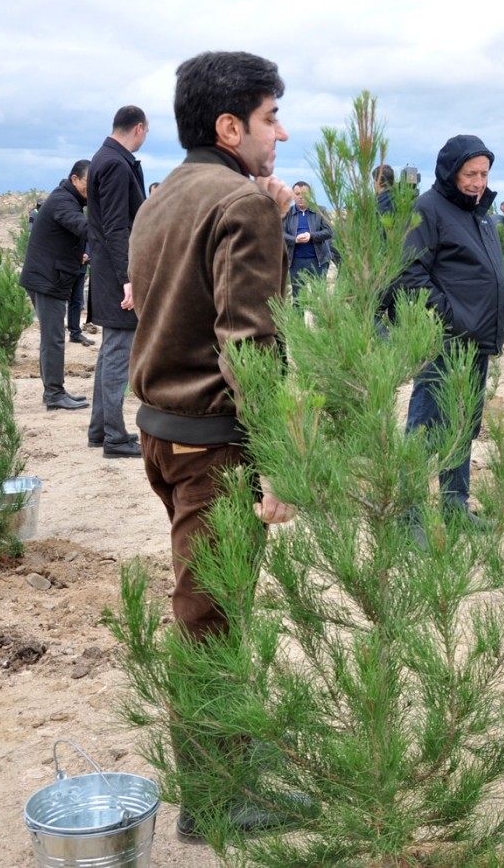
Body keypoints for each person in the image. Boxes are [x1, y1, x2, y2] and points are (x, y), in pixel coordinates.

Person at [127, 49, 297, 840]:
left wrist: (264, 214)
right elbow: (251, 345)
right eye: (270, 118)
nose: (281, 133)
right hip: (214, 447)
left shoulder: (164, 195)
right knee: (210, 619)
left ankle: (228, 765)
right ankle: (216, 802)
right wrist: (279, 463)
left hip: (163, 436)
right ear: (231, 125)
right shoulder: (239, 203)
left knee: (209, 609)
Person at [397, 135, 504, 516]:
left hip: (475, 341)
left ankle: (454, 507)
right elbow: (410, 275)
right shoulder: (428, 209)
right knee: (424, 429)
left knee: (462, 425)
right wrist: (451, 319)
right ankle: (407, 513)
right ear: (450, 172)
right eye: (470, 173)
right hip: (443, 342)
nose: (479, 181)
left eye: (484, 173)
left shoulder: (479, 213)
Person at [86, 105, 149, 458]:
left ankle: (99, 431)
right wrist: (128, 280)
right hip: (116, 276)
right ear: (138, 128)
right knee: (118, 353)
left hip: (111, 273)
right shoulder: (113, 163)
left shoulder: (107, 158)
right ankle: (114, 437)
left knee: (111, 351)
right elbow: (115, 226)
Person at [19, 160, 93, 411]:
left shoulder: (69, 199)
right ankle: (54, 394)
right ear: (74, 179)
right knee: (53, 338)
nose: (92, 187)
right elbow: (81, 226)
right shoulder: (63, 200)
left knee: (52, 337)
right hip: (46, 280)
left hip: (48, 277)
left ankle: (54, 390)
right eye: (88, 182)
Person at [282, 181, 334, 298]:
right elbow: (281, 233)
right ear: (293, 195)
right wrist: (294, 239)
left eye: (304, 194)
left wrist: (311, 236)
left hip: (318, 261)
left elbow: (329, 231)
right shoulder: (288, 213)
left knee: (319, 298)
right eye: (297, 194)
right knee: (298, 299)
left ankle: (319, 317)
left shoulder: (320, 210)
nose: (301, 197)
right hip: (296, 261)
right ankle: (298, 317)